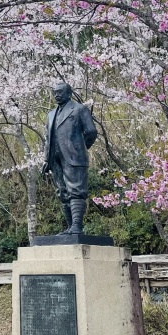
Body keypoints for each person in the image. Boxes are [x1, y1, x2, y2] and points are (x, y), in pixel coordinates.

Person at [41, 82, 97, 235]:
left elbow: (91, 132)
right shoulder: (51, 114)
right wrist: (47, 159)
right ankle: (69, 227)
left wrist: (80, 147)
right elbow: (47, 137)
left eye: (60, 92)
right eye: (55, 92)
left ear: (69, 93)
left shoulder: (79, 109)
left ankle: (77, 226)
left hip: (74, 156)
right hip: (55, 158)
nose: (57, 95)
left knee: (76, 190)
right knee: (62, 192)